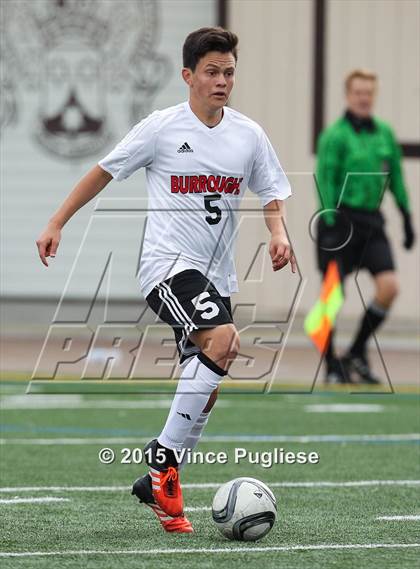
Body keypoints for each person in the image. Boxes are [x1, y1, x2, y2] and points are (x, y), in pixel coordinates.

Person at [36, 27, 295, 533]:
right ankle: (162, 468)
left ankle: (154, 481)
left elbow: (271, 190)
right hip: (167, 267)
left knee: (209, 380)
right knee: (224, 341)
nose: (222, 81)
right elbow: (104, 170)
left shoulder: (249, 134)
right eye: (212, 72)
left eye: (229, 72)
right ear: (188, 76)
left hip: (216, 276)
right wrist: (56, 221)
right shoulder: (160, 128)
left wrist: (279, 232)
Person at [315, 69, 415, 385]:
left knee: (389, 287)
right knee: (333, 295)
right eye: (358, 92)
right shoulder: (335, 135)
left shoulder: (384, 133)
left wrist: (406, 216)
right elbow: (326, 178)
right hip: (341, 220)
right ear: (348, 95)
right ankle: (331, 363)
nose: (364, 98)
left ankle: (356, 352)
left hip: (372, 222)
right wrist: (330, 221)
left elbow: (396, 177)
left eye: (369, 92)